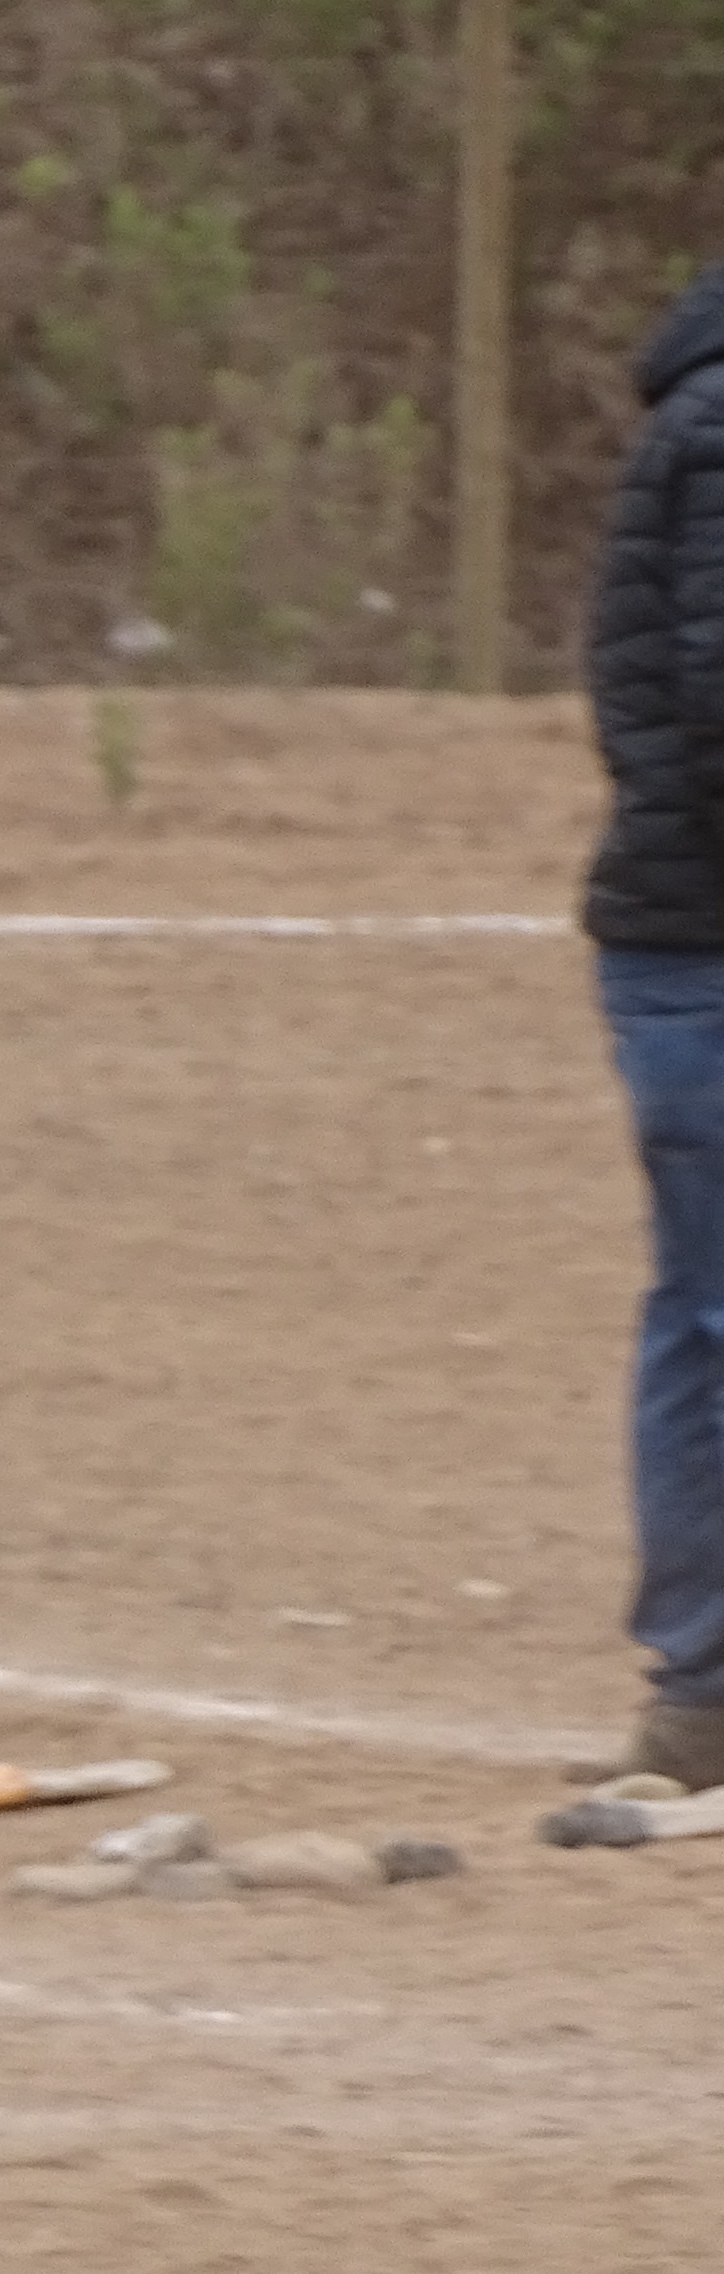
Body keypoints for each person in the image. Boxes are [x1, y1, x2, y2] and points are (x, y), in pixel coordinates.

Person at [582, 259, 724, 1789]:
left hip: (684, 928)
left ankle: (705, 1681)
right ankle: (708, 1680)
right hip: (708, 934)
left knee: (707, 1306)